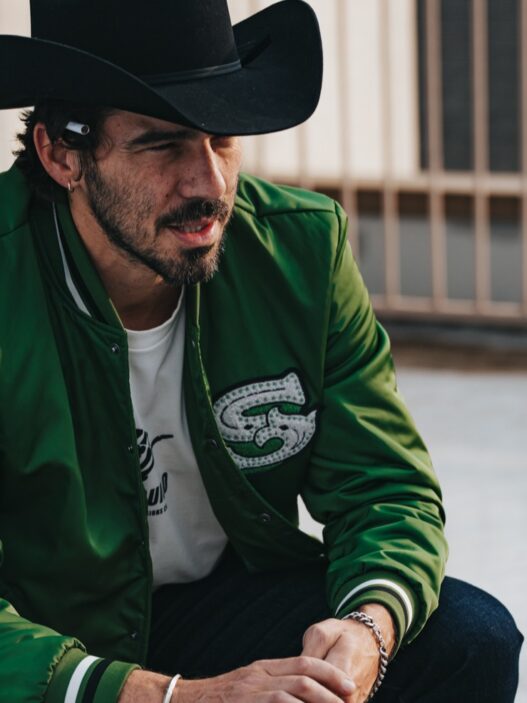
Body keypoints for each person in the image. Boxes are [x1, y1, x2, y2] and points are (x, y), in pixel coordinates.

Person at [0, 1, 522, 702]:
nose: (209, 184)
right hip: (44, 640)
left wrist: (366, 630)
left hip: (213, 604)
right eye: (163, 145)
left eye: (222, 139)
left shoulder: (300, 250)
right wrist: (170, 696)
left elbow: (381, 487)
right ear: (61, 154)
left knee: (470, 639)